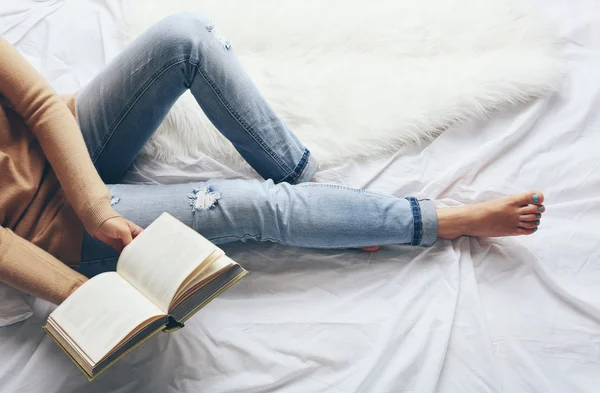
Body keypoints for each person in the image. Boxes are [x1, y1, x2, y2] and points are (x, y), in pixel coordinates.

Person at [0, 13, 545, 306]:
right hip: (49, 224)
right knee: (253, 206)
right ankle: (435, 221)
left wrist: (95, 202)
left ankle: (306, 183)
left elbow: (41, 105)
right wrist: (78, 292)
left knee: (183, 37)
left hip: (71, 140)